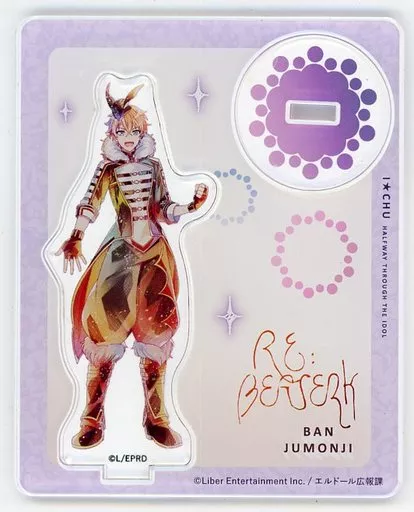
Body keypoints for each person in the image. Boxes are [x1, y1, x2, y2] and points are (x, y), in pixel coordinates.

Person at [57, 83, 208, 449]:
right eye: (122, 132)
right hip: (120, 256)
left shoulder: (154, 167)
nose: (128, 138)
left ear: (143, 134)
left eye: (134, 132)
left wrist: (191, 207)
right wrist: (76, 235)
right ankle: (91, 420)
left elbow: (164, 208)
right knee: (105, 335)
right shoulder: (107, 169)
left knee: (156, 336)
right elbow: (89, 204)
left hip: (154, 256)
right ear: (112, 134)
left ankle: (156, 419)